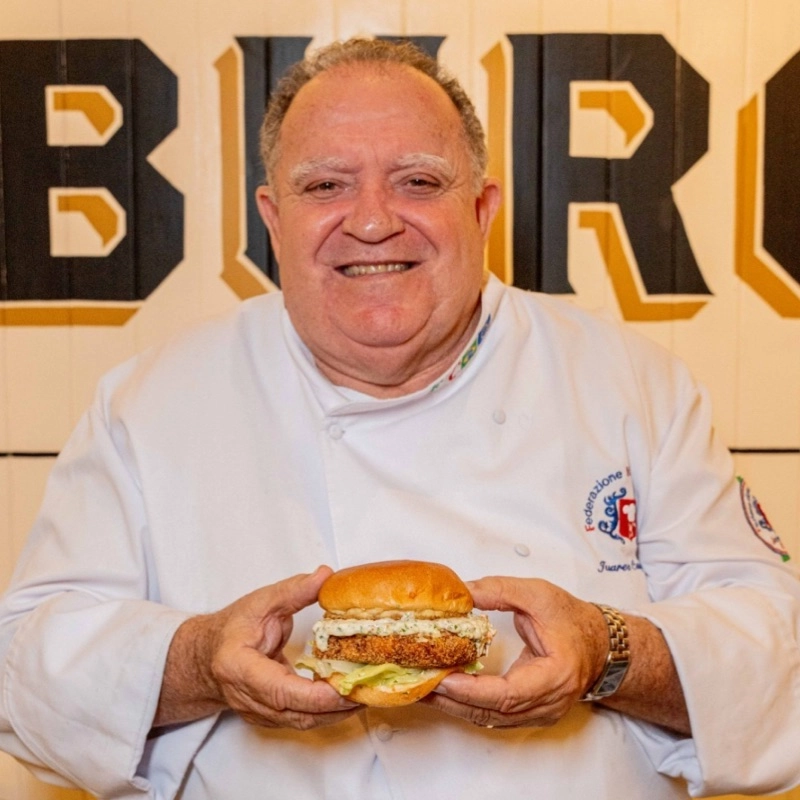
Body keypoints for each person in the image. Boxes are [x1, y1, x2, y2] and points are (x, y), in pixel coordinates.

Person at [1, 36, 798, 800]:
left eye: (418, 182)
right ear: (273, 219)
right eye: (325, 186)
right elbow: (23, 670)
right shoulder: (148, 401)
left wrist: (610, 653)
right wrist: (199, 662)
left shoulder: (634, 383)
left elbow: (778, 653)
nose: (374, 220)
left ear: (482, 209)